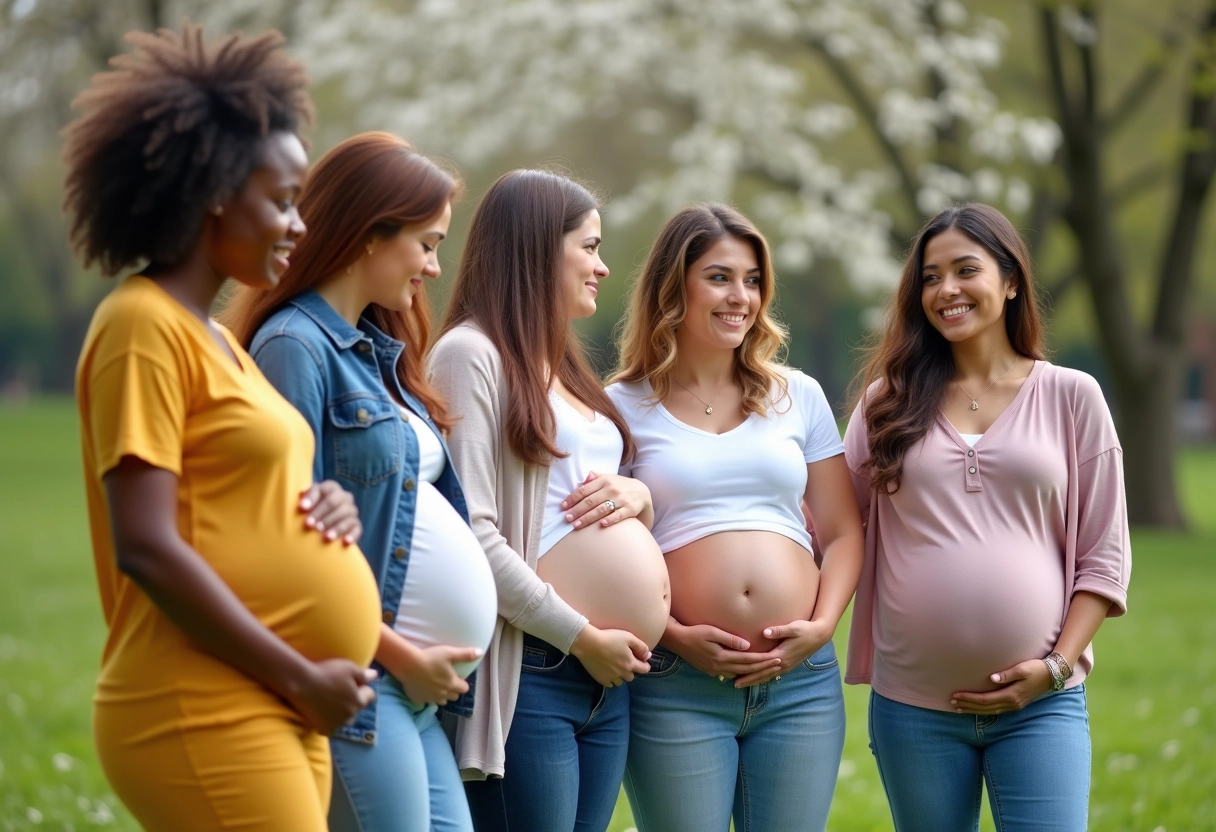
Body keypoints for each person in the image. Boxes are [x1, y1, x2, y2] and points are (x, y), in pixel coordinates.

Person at [66, 25, 381, 832]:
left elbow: (232, 492)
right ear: (213, 191)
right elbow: (146, 544)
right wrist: (299, 674)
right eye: (281, 201)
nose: (298, 226)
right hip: (201, 699)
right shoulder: (139, 325)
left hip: (274, 697)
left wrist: (323, 512)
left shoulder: (215, 338)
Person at [223, 131, 492, 832]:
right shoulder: (293, 347)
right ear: (372, 234)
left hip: (409, 691)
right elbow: (288, 547)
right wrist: (404, 656)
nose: (435, 267)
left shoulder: (376, 353)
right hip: (360, 679)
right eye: (427, 243)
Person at [844, 202, 1132, 831]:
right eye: (929, 276)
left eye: (964, 270)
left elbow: (1104, 559)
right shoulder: (884, 406)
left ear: (1009, 282)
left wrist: (1055, 669)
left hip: (1042, 705)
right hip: (913, 709)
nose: (945, 290)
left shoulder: (1071, 396)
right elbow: (836, 532)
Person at [606, 203, 864, 832]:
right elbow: (601, 557)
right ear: (675, 287)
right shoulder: (617, 407)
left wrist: (823, 625)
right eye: (720, 277)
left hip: (799, 685)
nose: (741, 297)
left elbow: (843, 532)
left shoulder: (795, 395)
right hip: (674, 683)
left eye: (752, 281)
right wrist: (673, 636)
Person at [429, 169, 670, 832]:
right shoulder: (469, 356)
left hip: (606, 682)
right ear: (538, 248)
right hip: (531, 671)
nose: (602, 266)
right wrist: (581, 636)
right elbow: (471, 532)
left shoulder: (560, 363)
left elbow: (594, 496)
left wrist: (639, 495)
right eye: (588, 247)